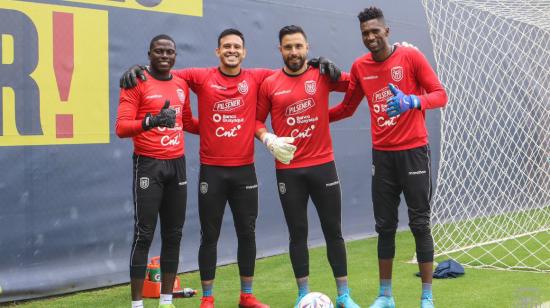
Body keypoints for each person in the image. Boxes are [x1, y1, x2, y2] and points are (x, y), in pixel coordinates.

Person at [119, 28, 340, 308]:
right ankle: (208, 298)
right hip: (211, 171)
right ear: (218, 51)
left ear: (244, 52)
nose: (232, 50)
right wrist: (137, 68)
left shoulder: (259, 77)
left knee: (247, 233)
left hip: (244, 171)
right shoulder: (199, 77)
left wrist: (315, 63)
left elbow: (290, 69)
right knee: (209, 235)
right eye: (226, 46)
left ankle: (246, 296)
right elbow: (164, 72)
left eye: (237, 46)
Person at [328, 7, 448, 308]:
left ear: (387, 31)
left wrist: (412, 101)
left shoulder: (410, 58)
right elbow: (347, 107)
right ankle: (386, 296)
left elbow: (440, 95)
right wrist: (318, 118)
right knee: (385, 227)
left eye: (375, 31)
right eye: (365, 33)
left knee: (420, 224)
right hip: (382, 157)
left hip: (414, 153)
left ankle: (427, 298)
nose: (370, 37)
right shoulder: (359, 67)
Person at [255, 25, 360, 308]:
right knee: (297, 232)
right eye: (288, 47)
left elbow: (357, 84)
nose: (293, 52)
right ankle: (303, 294)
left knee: (332, 230)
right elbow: (256, 121)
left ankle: (344, 295)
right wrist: (268, 138)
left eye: (298, 46)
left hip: (323, 165)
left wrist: (336, 69)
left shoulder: (320, 75)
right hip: (288, 169)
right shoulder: (269, 83)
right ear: (280, 50)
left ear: (307, 47)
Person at [115, 34, 196, 308]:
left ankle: (166, 301)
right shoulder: (135, 82)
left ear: (175, 56)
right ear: (149, 53)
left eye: (170, 52)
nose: (165, 56)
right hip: (149, 164)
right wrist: (151, 120)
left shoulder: (181, 83)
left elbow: (188, 123)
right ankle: (137, 304)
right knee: (145, 233)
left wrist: (226, 122)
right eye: (159, 51)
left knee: (174, 233)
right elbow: (121, 128)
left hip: (177, 164)